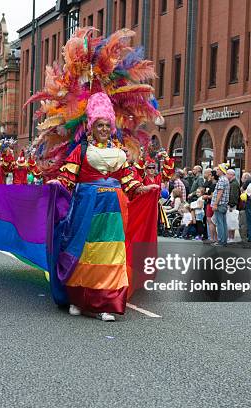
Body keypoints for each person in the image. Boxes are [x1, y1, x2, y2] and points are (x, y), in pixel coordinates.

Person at [49, 92, 158, 322]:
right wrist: (57, 183)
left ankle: (106, 302)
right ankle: (78, 299)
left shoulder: (119, 152)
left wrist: (142, 188)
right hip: (87, 207)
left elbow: (128, 179)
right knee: (84, 251)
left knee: (110, 253)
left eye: (107, 125)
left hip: (114, 210)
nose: (104, 129)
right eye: (100, 125)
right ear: (91, 127)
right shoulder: (82, 150)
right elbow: (68, 177)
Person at [226, 169, 240, 242]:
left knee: (232, 221)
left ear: (231, 175)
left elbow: (233, 195)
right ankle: (230, 237)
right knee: (230, 221)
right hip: (231, 204)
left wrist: (231, 205)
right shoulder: (232, 183)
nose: (226, 175)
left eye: (227, 174)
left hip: (232, 205)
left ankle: (231, 238)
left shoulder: (234, 184)